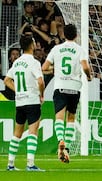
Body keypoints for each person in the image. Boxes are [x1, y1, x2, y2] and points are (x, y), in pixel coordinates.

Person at [42, 24, 92, 163]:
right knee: (71, 119)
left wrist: (55, 68)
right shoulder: (79, 49)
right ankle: (67, 148)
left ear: (64, 35)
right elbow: (85, 67)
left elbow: (44, 68)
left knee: (59, 118)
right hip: (74, 88)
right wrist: (88, 76)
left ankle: (61, 140)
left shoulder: (56, 49)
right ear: (76, 35)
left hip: (60, 87)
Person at [5, 35, 45, 171]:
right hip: (32, 100)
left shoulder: (17, 62)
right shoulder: (34, 62)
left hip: (20, 102)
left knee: (17, 133)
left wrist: (18, 91)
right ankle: (30, 164)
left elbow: (7, 80)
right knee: (33, 132)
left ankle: (10, 164)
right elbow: (40, 81)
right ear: (32, 45)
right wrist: (42, 95)